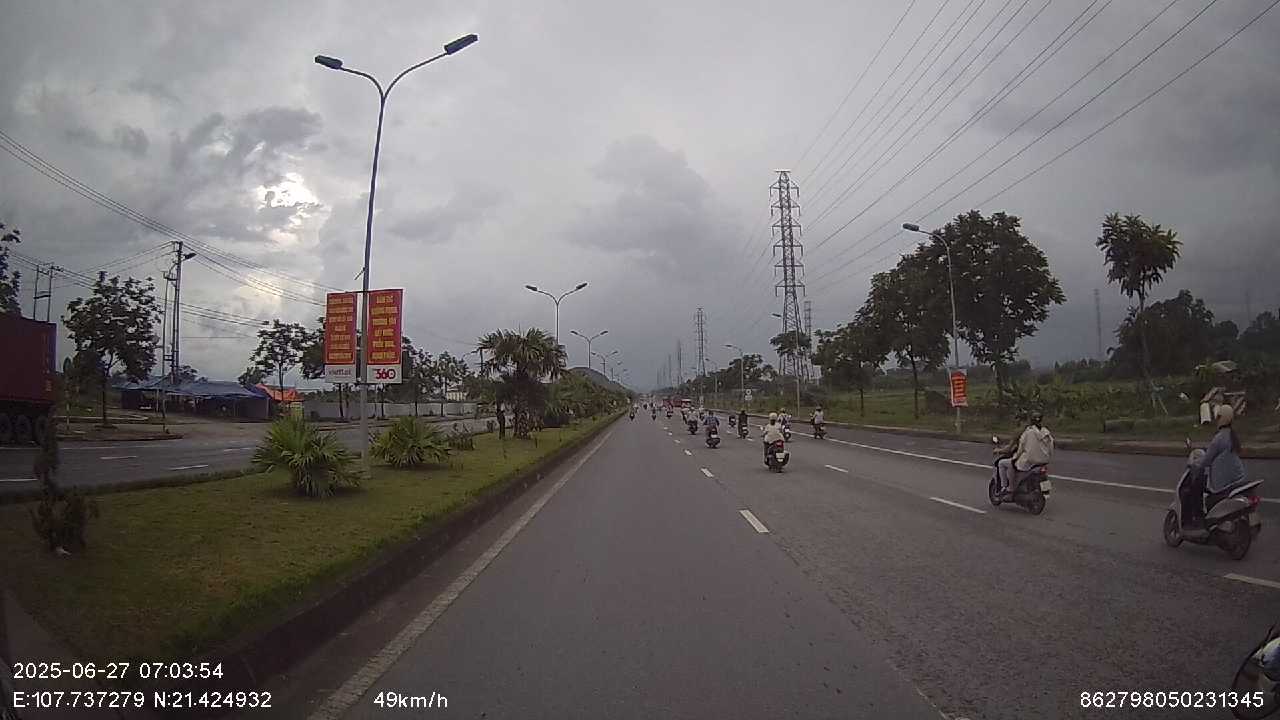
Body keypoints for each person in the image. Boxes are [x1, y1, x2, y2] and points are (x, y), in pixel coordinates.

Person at [1185, 404, 1247, 528]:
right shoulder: (1232, 436)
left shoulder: (1219, 438)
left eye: (1218, 417)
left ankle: (1198, 517)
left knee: (1197, 485)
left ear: (1221, 418)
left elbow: (1206, 461)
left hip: (1224, 481)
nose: (1216, 420)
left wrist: (1193, 464)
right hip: (1238, 477)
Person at [998, 411, 1054, 496]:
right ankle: (1045, 491)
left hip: (1029, 462)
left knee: (1005, 464)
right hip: (1043, 461)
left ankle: (1009, 488)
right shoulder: (1047, 432)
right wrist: (1047, 457)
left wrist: (1016, 457)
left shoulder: (1028, 432)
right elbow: (1051, 447)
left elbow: (1021, 447)